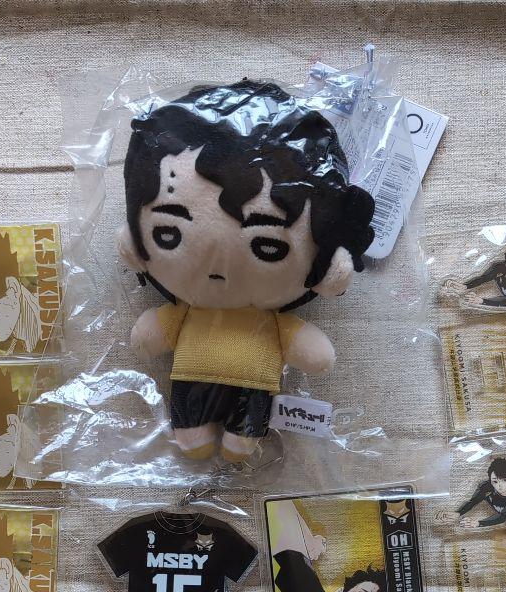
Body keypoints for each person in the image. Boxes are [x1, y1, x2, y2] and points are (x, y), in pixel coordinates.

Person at [120, 80, 375, 462]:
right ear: (133, 242)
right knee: (195, 428)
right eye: (168, 233)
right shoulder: (200, 312)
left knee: (241, 430)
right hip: (201, 374)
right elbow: (150, 336)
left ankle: (235, 441)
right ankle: (201, 438)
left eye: (268, 245)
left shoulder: (210, 313)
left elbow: (148, 337)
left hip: (247, 381)